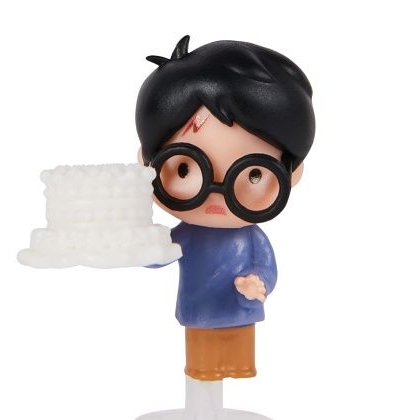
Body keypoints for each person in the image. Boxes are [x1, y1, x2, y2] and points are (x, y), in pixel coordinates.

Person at [135, 35, 315, 381]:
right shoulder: (187, 234)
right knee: (202, 359)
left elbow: (266, 267)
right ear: (148, 164)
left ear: (291, 175)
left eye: (253, 174)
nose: (217, 194)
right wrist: (140, 244)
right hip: (200, 308)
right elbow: (159, 255)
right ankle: (203, 374)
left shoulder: (251, 237)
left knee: (239, 354)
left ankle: (236, 368)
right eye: (185, 168)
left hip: (239, 308)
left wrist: (257, 283)